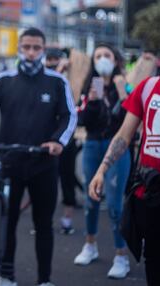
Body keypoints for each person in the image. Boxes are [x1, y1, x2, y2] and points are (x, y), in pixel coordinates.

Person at [0, 27, 77, 286]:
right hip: (9, 160)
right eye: (26, 47)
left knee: (44, 224)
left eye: (36, 48)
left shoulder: (57, 81)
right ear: (19, 48)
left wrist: (57, 142)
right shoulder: (2, 79)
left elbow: (69, 115)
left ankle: (45, 279)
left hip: (44, 162)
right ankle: (6, 274)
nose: (31, 52)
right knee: (7, 223)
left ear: (43, 50)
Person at [88, 75, 160, 285]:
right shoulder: (149, 87)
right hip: (151, 192)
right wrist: (102, 169)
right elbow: (123, 135)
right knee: (154, 259)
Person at [73, 43, 131, 279]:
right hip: (93, 145)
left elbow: (132, 117)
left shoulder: (122, 84)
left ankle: (121, 255)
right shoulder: (93, 86)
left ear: (115, 59)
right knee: (91, 199)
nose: (102, 59)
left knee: (116, 205)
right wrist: (93, 101)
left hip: (117, 147)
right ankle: (90, 244)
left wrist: (124, 92)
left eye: (106, 55)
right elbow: (83, 120)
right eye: (98, 56)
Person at [45, 47, 79, 235]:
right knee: (47, 182)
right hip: (46, 137)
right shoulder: (48, 78)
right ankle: (45, 219)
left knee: (67, 178)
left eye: (55, 59)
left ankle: (67, 219)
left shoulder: (75, 76)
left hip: (67, 139)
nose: (52, 63)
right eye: (49, 59)